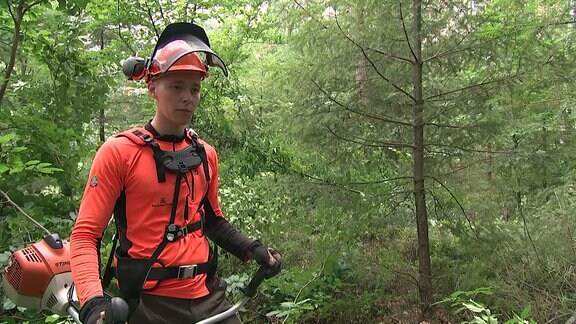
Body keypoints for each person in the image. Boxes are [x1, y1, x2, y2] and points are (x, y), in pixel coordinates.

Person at [69, 22, 282, 324]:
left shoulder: (205, 154)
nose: (188, 97)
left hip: (209, 296)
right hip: (147, 302)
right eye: (177, 86)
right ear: (153, 87)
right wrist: (93, 303)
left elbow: (212, 221)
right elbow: (85, 236)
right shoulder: (119, 152)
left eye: (194, 88)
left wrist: (252, 249)